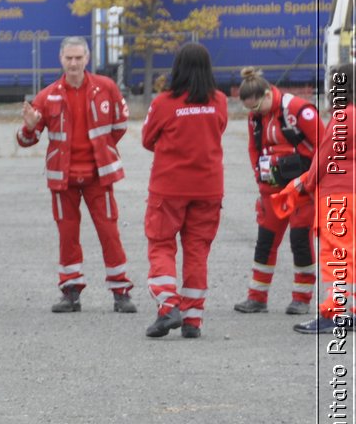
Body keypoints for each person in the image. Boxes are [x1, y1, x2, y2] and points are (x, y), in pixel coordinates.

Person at [17, 37, 138, 314]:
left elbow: (119, 125)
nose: (73, 63)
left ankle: (121, 291)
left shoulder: (106, 88)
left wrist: (104, 150)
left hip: (99, 176)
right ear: (61, 59)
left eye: (78, 58)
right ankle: (71, 291)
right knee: (67, 235)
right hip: (63, 179)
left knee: (109, 232)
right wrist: (29, 127)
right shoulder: (47, 96)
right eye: (69, 58)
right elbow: (28, 139)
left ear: (87, 58)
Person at [142, 42, 229, 338]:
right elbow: (218, 130)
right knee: (197, 250)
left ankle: (168, 306)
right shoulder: (219, 100)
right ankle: (193, 319)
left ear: (177, 68)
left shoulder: (164, 102)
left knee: (161, 243)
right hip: (208, 188)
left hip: (169, 187)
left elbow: (147, 138)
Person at [233, 67, 321, 315]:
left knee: (300, 241)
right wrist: (260, 176)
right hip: (271, 191)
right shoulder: (256, 117)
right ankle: (257, 297)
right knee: (265, 242)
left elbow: (323, 146)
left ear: (268, 94)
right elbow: (254, 148)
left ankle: (302, 299)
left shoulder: (298, 110)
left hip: (301, 189)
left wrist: (311, 181)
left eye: (256, 106)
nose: (254, 113)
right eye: (249, 109)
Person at [273, 62, 353, 335]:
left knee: (336, 255)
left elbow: (323, 158)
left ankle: (334, 312)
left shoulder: (344, 117)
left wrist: (304, 184)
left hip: (338, 194)